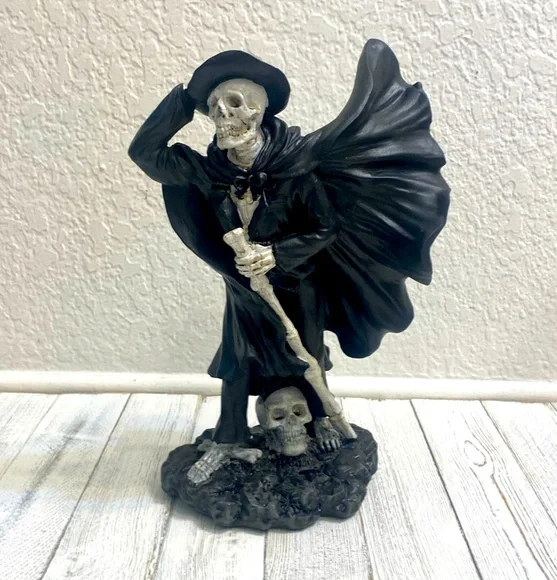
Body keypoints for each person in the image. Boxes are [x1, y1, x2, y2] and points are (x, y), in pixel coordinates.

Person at [129, 39, 450, 480]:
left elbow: (325, 227)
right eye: (214, 108)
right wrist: (187, 99)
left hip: (299, 283)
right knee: (238, 359)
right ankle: (230, 437)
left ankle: (319, 419)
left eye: (234, 104)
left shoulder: (298, 166)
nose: (223, 115)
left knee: (306, 353)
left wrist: (275, 254)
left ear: (259, 111)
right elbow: (144, 152)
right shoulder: (209, 171)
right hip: (244, 288)